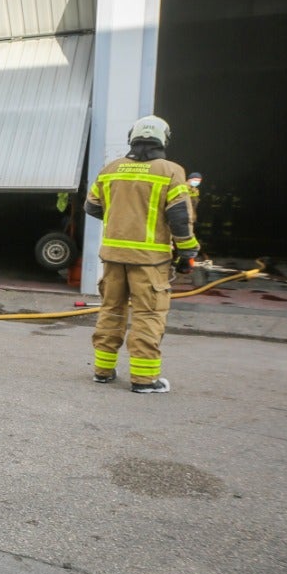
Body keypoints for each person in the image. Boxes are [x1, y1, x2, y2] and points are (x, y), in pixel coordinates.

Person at [85, 114, 199, 394]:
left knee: (111, 310)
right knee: (148, 315)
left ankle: (102, 371)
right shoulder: (171, 171)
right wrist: (187, 254)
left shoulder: (111, 169)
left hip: (112, 258)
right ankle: (144, 380)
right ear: (164, 139)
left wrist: (122, 219)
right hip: (150, 262)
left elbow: (92, 207)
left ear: (132, 137)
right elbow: (180, 219)